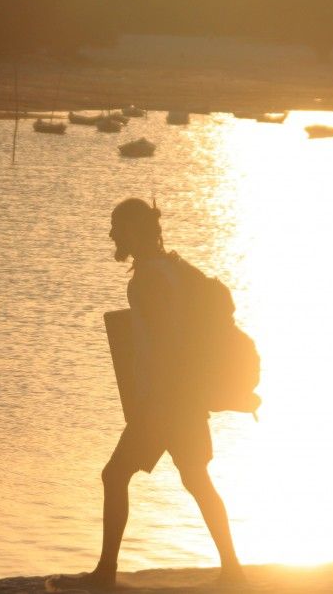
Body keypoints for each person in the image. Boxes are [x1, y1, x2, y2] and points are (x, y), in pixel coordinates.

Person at [53, 198, 246, 590]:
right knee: (196, 479)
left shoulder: (149, 280)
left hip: (166, 402)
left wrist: (153, 401)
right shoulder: (173, 268)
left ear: (136, 230)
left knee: (114, 475)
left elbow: (166, 343)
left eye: (117, 227)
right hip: (183, 399)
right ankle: (233, 571)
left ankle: (106, 574)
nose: (111, 234)